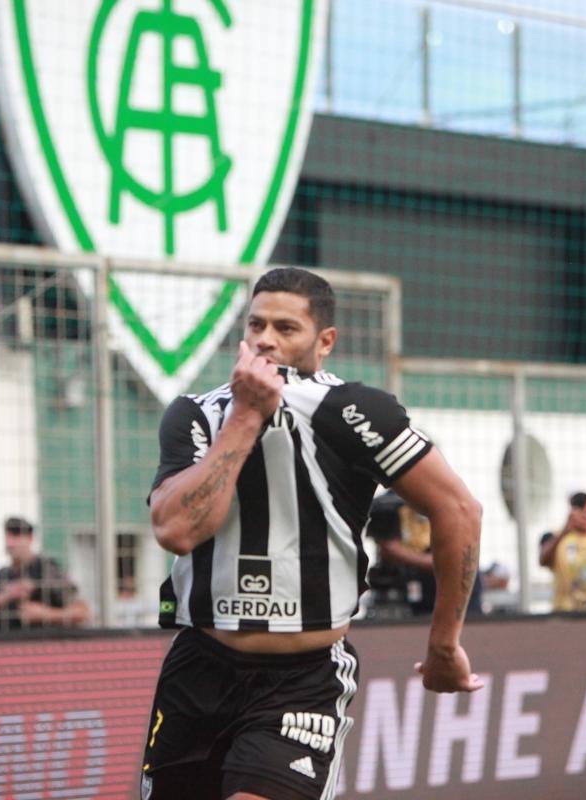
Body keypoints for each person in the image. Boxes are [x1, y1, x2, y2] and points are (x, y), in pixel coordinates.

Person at [140, 267, 483, 800]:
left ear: (324, 343)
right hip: (199, 668)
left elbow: (459, 509)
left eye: (285, 328)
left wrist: (444, 644)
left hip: (301, 679)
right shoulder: (197, 414)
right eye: (255, 326)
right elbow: (178, 529)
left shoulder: (353, 411)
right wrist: (247, 417)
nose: (266, 340)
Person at [365, 489, 483, 618]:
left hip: (452, 594)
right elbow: (387, 550)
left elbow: (460, 557)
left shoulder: (452, 501)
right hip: (409, 592)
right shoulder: (387, 504)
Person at [0, 516, 91, 632]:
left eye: (16, 536)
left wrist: (45, 614)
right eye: (7, 536)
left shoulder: (48, 571)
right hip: (2, 648)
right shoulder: (0, 576)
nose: (10, 543)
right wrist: (5, 596)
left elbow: (83, 613)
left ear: (30, 539)